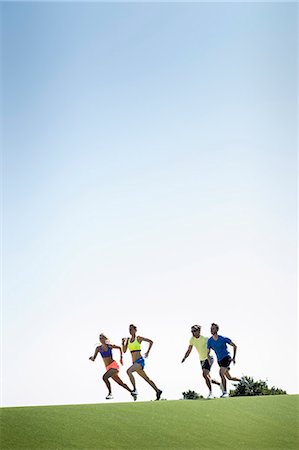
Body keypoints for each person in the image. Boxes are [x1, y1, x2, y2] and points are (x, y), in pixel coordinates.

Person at [89, 333, 137, 400]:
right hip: (108, 368)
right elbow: (94, 358)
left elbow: (119, 348)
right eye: (100, 338)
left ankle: (110, 394)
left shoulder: (109, 346)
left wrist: (121, 358)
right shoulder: (98, 348)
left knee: (104, 377)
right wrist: (91, 358)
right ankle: (132, 392)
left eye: (102, 338)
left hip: (114, 366)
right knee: (120, 383)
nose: (101, 339)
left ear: (105, 339)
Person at [122, 324, 162, 401]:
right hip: (134, 363)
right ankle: (158, 391)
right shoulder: (128, 340)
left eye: (132, 329)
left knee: (129, 371)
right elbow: (124, 351)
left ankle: (134, 390)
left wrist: (147, 352)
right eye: (129, 330)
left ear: (135, 330)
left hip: (140, 361)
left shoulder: (138, 338)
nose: (130, 331)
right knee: (146, 378)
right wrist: (123, 342)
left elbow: (151, 342)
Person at [181, 324, 221, 399]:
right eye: (192, 331)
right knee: (207, 377)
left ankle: (210, 393)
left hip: (208, 358)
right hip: (201, 359)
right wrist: (184, 358)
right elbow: (189, 350)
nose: (193, 332)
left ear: (199, 331)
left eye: (195, 331)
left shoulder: (205, 339)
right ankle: (220, 384)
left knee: (204, 374)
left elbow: (214, 347)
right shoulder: (192, 339)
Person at [207, 323, 244, 398]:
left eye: (213, 328)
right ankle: (242, 380)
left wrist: (234, 358)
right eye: (211, 329)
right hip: (219, 360)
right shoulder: (210, 341)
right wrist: (209, 359)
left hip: (226, 357)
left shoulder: (223, 338)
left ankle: (225, 392)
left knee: (221, 373)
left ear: (217, 330)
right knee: (229, 377)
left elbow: (235, 346)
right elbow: (207, 352)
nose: (211, 330)